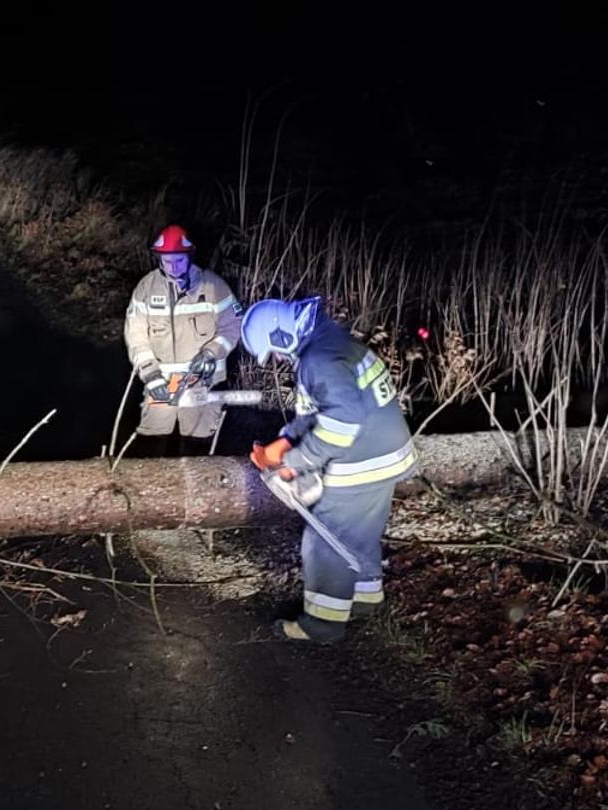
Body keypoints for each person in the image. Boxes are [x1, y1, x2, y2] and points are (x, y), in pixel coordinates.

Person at [241, 296, 417, 643]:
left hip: (362, 460)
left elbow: (341, 425)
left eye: (273, 351)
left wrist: (294, 463)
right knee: (359, 532)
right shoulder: (330, 342)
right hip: (385, 454)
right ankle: (364, 599)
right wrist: (286, 441)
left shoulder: (318, 359)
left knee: (326, 539)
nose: (278, 359)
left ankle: (322, 624)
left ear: (280, 334)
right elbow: (318, 411)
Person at [121, 225, 242, 455]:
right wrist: (150, 374)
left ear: (189, 256)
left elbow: (233, 325)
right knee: (152, 443)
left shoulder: (214, 287)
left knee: (198, 447)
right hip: (160, 383)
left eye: (179, 260)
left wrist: (211, 353)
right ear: (159, 259)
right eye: (167, 261)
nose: (173, 267)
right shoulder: (146, 288)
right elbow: (135, 335)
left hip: (202, 383)